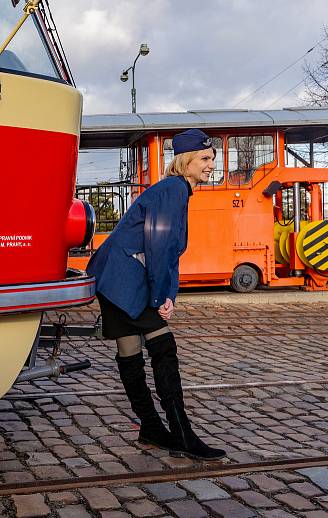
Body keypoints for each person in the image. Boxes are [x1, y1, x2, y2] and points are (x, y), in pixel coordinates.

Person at [87, 129, 226, 461]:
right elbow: (159, 245)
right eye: (204, 159)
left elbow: (169, 251)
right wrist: (158, 297)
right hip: (124, 278)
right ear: (185, 161)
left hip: (115, 278)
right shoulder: (174, 189)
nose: (211, 165)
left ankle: (151, 428)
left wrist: (169, 295)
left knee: (131, 351)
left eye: (212, 159)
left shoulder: (174, 190)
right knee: (163, 348)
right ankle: (181, 435)